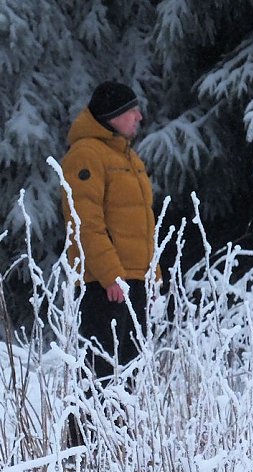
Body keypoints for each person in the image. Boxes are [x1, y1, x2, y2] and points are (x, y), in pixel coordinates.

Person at [59, 81, 160, 447]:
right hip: (106, 284)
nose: (139, 116)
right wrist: (110, 274)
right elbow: (85, 222)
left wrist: (152, 272)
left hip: (133, 280)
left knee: (128, 373)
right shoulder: (86, 155)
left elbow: (137, 221)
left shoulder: (127, 157)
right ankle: (87, 455)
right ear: (113, 117)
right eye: (132, 110)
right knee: (100, 371)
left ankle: (118, 450)